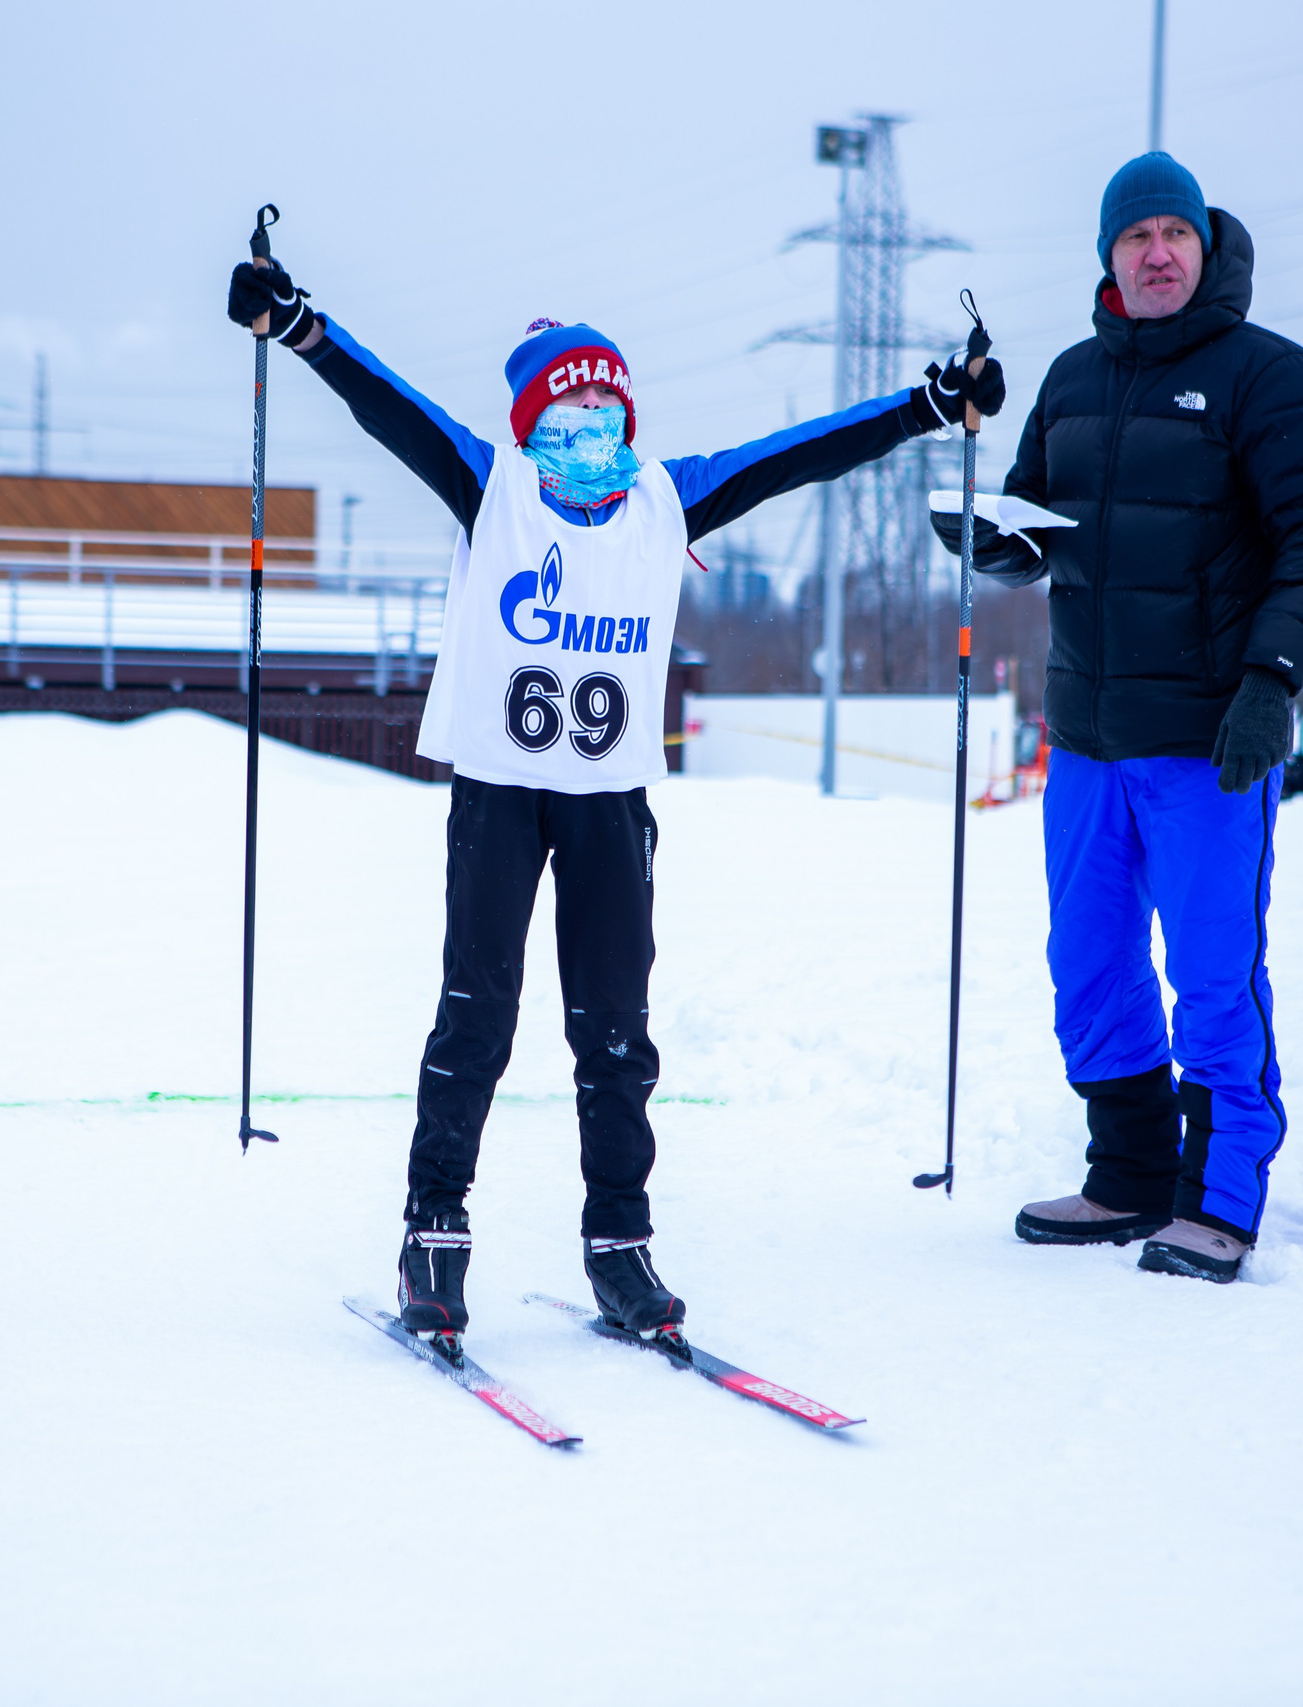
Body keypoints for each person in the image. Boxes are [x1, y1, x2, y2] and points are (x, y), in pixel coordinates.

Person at [229, 252, 1004, 1343]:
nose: (591, 425)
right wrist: (298, 325)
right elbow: (385, 403)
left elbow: (799, 457)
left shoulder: (661, 498)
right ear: (532, 420)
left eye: (608, 407)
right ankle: (434, 1229)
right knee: (477, 1016)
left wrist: (928, 406)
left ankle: (620, 1244)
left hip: (608, 803)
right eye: (570, 407)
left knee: (615, 1033)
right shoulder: (490, 485)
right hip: (500, 795)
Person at [934, 152, 1303, 1284]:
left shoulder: (1267, 374)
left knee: (1214, 971)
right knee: (1087, 963)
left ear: (1205, 250)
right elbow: (1036, 529)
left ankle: (1219, 1198)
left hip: (1209, 739)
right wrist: (991, 541)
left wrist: (1273, 679)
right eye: (1137, 238)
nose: (1158, 252)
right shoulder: (1073, 380)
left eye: (1175, 234)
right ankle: (1127, 1174)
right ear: (1109, 258)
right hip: (1085, 735)